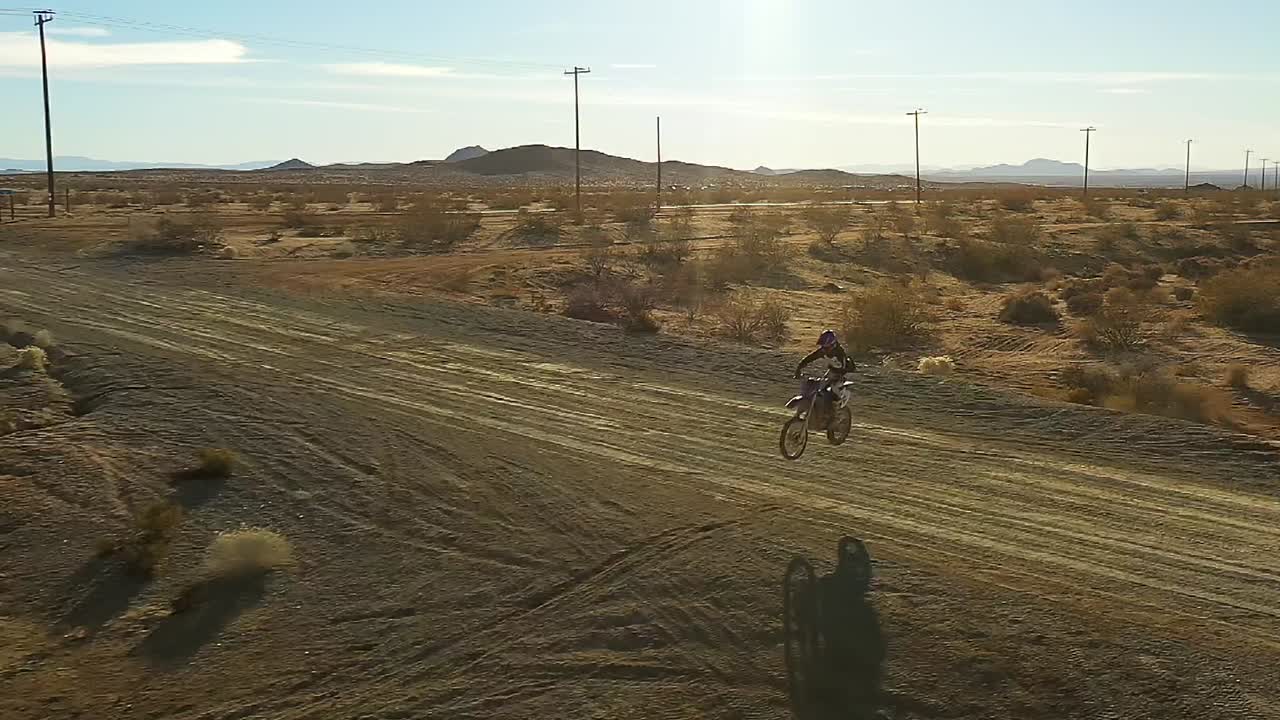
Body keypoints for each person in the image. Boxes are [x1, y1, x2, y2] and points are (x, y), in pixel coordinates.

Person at [794, 330, 853, 419]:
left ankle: (835, 412)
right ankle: (820, 410)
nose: (824, 349)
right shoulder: (823, 351)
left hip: (842, 374)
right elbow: (810, 358)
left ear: (832, 345)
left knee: (834, 388)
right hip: (832, 372)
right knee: (819, 388)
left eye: (826, 347)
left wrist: (837, 371)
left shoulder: (840, 354)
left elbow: (844, 368)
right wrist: (799, 367)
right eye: (823, 347)